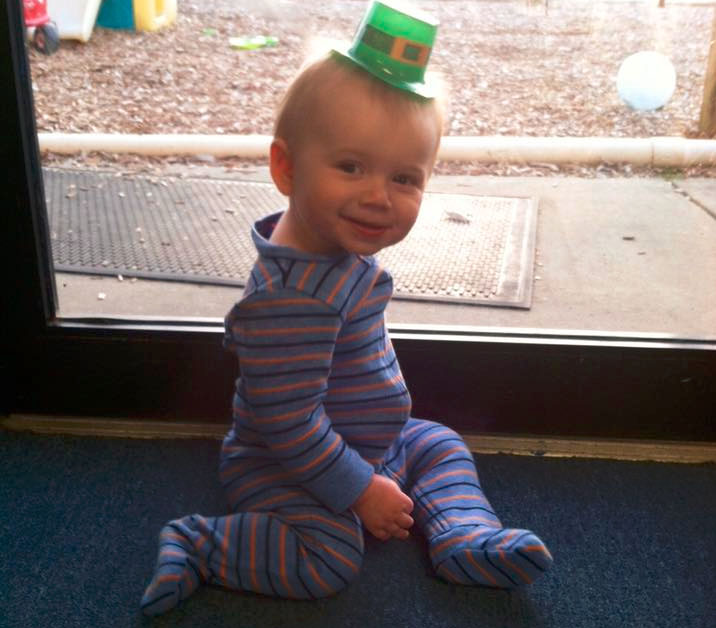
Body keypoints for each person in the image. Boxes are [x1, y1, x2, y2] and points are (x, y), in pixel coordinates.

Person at [140, 1, 552, 616]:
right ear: (286, 166)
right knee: (328, 559)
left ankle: (463, 534)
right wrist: (360, 492)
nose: (377, 197)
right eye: (352, 166)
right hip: (284, 463)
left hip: (369, 440)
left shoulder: (322, 245)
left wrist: (374, 464)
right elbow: (289, 426)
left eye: (405, 178)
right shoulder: (289, 301)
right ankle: (200, 542)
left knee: (438, 444)